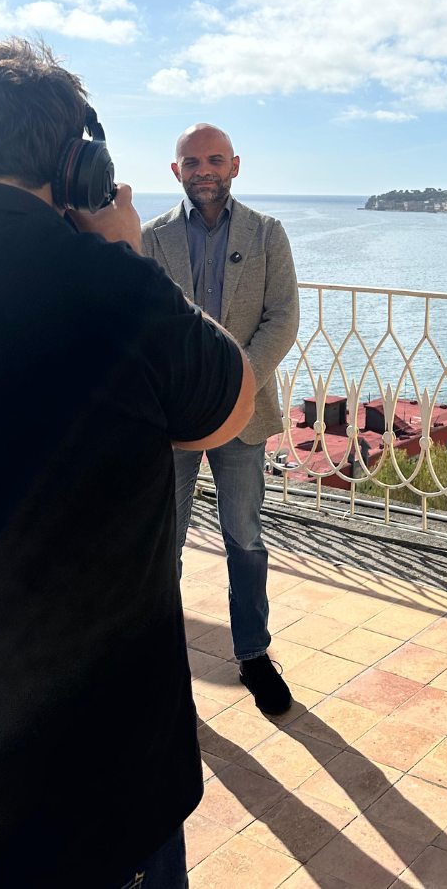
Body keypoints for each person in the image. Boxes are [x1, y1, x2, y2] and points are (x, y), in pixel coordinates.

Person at [0, 41, 256, 889]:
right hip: (94, 779)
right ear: (77, 165)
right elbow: (229, 405)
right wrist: (122, 255)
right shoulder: (109, 283)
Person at [142, 124, 299, 718]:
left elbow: (283, 318)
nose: (203, 170)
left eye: (214, 159)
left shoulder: (267, 232)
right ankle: (160, 656)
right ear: (175, 170)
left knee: (245, 538)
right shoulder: (151, 237)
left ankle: (254, 654)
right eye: (191, 161)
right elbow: (142, 322)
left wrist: (234, 382)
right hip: (174, 416)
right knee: (166, 542)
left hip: (244, 412)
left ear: (235, 165)